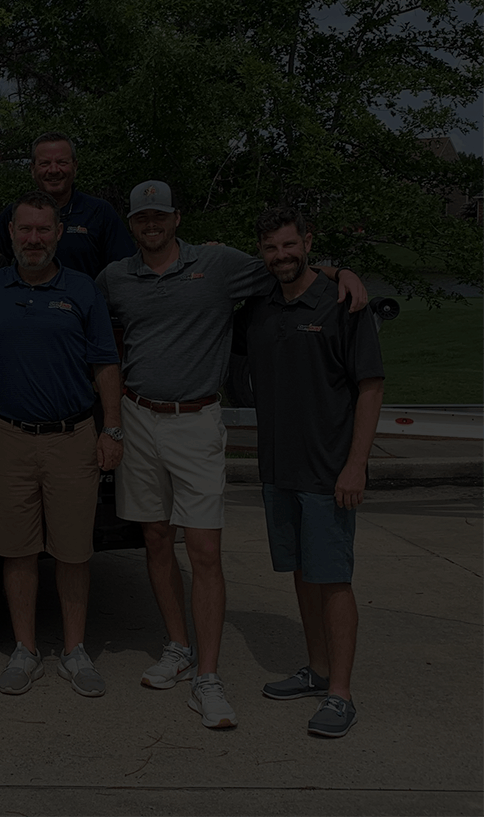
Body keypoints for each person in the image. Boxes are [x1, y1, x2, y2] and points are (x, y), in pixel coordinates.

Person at [95, 180, 368, 730]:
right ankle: (179, 647)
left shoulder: (217, 264)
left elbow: (288, 265)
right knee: (153, 539)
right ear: (133, 224)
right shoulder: (114, 278)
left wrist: (342, 272)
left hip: (196, 421)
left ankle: (209, 677)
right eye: (141, 217)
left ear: (176, 218)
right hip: (138, 417)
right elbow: (91, 330)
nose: (152, 224)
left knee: (204, 552)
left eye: (160, 215)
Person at [238, 206, 383, 739]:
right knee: (301, 573)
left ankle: (340, 694)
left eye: (289, 245)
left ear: (307, 242)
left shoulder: (344, 304)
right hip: (279, 468)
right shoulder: (259, 309)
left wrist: (355, 466)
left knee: (333, 579)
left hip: (329, 473)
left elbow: (371, 388)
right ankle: (317, 670)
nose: (281, 255)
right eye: (272, 248)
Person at [0, 190, 124, 698]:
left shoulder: (82, 290)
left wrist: (112, 429)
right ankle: (25, 649)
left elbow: (105, 364)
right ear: (10, 234)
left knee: (73, 552)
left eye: (43, 230)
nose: (33, 239)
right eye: (25, 229)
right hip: (9, 436)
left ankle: (75, 652)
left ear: (58, 234)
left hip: (72, 438)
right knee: (16, 552)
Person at [0, 132, 136, 277]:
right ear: (33, 169)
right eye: (45, 163)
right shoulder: (14, 213)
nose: (53, 170)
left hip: (87, 300)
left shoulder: (100, 213)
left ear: (75, 166)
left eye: (62, 162)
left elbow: (125, 271)